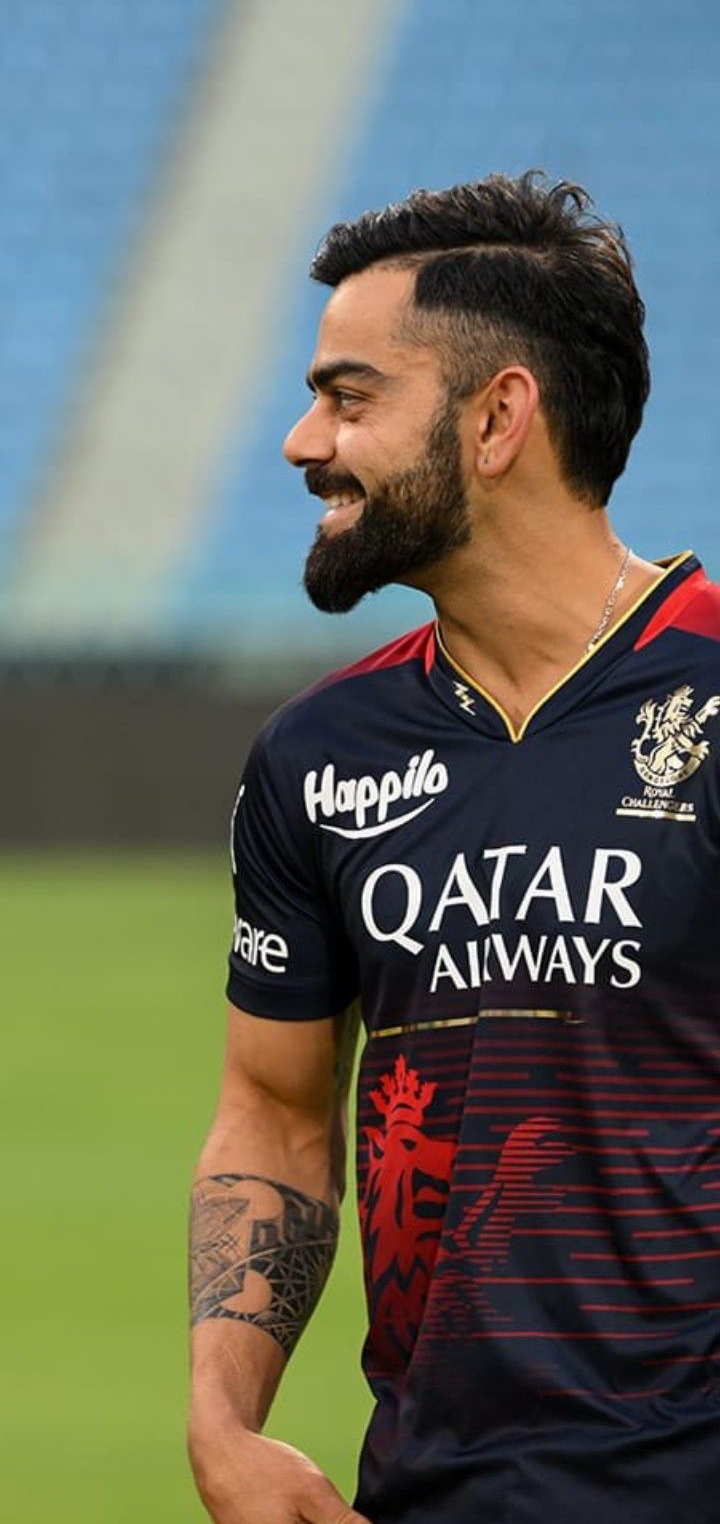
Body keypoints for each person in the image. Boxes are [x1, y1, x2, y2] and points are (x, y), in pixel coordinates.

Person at [187, 172, 720, 1524]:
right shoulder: (316, 755)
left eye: (350, 397)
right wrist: (223, 1424)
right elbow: (277, 1109)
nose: (307, 440)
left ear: (498, 419)